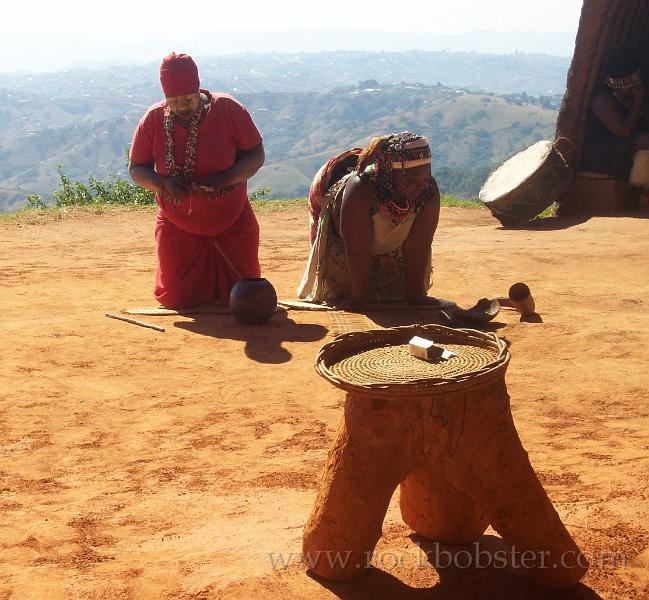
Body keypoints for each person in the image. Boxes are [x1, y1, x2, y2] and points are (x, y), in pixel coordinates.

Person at [129, 52, 265, 309]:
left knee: (246, 297)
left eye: (187, 100)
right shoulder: (153, 119)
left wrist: (225, 179)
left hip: (232, 221)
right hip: (177, 226)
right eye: (174, 101)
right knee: (178, 301)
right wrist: (164, 184)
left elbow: (256, 155)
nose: (181, 107)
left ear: (198, 89)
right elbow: (137, 168)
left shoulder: (229, 109)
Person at [298, 132, 440, 310]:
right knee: (342, 290)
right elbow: (357, 249)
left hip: (376, 238)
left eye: (426, 178)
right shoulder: (360, 190)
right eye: (412, 180)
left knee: (393, 292)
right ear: (389, 175)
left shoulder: (429, 190)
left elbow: (418, 245)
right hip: (342, 235)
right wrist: (358, 300)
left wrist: (415, 296)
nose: (422, 185)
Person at [580, 53, 649, 179]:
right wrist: (638, 102)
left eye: (636, 83)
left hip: (624, 144)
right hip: (604, 151)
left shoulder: (631, 96)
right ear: (617, 86)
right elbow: (624, 132)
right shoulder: (602, 100)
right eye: (630, 86)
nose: (635, 88)